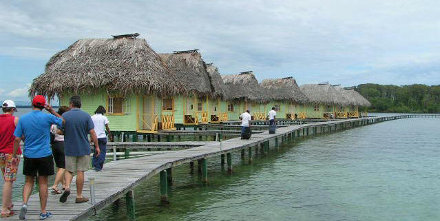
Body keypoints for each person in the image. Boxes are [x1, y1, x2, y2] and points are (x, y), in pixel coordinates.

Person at [13, 95, 64, 220]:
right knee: (43, 183)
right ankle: (43, 211)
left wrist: (15, 154)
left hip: (29, 154)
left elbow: (17, 138)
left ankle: (24, 204)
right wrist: (52, 110)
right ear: (43, 106)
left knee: (28, 181)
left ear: (32, 104)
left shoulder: (23, 119)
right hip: (44, 154)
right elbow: (63, 122)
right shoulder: (47, 117)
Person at [60, 96, 100, 204]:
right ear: (80, 104)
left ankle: (67, 187)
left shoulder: (65, 115)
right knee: (80, 171)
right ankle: (79, 196)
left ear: (71, 104)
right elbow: (92, 132)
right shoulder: (86, 116)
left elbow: (60, 131)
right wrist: (97, 146)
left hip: (69, 147)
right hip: (83, 148)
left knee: (69, 170)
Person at [0, 100, 20, 218]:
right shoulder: (15, 120)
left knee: (6, 178)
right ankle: (4, 208)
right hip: (11, 154)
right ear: (12, 109)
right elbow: (19, 137)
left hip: (1, 153)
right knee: (9, 180)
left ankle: (8, 204)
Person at [50, 106, 70, 195]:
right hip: (62, 144)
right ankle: (55, 185)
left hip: (54, 145)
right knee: (63, 167)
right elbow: (60, 132)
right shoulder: (61, 121)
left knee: (59, 166)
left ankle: (64, 184)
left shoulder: (53, 121)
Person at [91, 105, 113, 172]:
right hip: (102, 137)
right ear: (103, 111)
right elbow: (107, 127)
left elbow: (90, 128)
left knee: (96, 151)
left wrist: (91, 137)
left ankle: (94, 164)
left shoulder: (92, 117)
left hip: (95, 137)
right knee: (102, 152)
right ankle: (99, 166)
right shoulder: (104, 118)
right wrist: (110, 135)